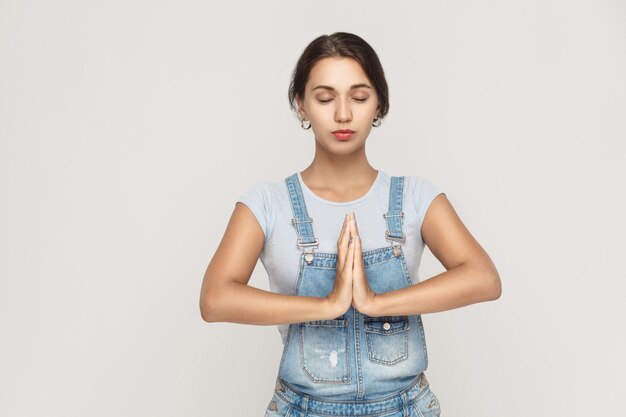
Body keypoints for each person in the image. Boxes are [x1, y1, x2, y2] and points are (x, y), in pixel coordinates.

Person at [199, 32, 501, 417]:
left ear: (378, 105)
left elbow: (484, 279)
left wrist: (374, 302)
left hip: (406, 407)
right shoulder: (267, 203)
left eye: (359, 97)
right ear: (302, 106)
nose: (343, 114)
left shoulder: (414, 197)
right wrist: (327, 305)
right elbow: (213, 300)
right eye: (325, 98)